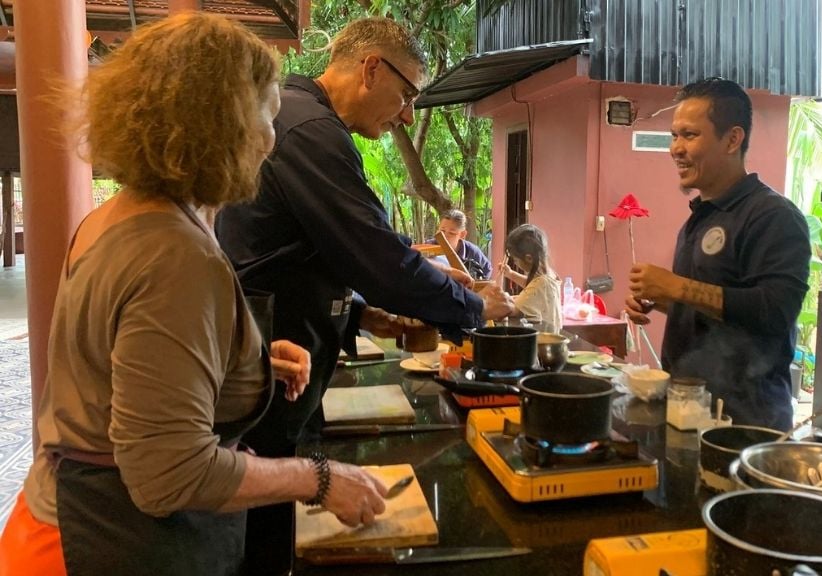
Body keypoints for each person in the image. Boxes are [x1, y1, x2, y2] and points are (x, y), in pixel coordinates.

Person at [0, 13, 390, 576]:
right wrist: (319, 479)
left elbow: (119, 373)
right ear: (219, 123)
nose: (272, 140)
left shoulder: (115, 215)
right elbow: (170, 475)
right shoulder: (174, 252)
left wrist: (241, 362)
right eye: (266, 117)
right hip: (100, 545)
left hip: (51, 526)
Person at [213, 17, 514, 573]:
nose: (405, 114)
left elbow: (299, 254)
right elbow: (375, 253)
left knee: (274, 537)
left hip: (278, 360)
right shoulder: (309, 129)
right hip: (267, 376)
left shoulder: (308, 121)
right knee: (264, 542)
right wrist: (473, 307)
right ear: (371, 67)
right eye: (406, 95)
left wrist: (359, 314)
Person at [624, 77, 810, 432]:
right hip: (690, 410)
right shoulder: (701, 216)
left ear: (733, 139)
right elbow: (719, 308)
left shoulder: (773, 216)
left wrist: (677, 288)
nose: (676, 148)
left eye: (690, 135)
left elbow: (775, 310)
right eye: (674, 136)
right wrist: (662, 300)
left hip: (746, 423)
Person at [499, 224, 563, 332]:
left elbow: (511, 310)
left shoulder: (541, 283)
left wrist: (500, 298)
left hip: (544, 341)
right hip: (553, 336)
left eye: (515, 260)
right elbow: (533, 284)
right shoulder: (548, 275)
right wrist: (510, 274)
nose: (515, 263)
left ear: (528, 258)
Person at [429, 208, 493, 279]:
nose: (444, 236)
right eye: (442, 230)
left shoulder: (472, 251)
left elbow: (487, 270)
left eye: (451, 233)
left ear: (462, 235)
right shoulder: (428, 247)